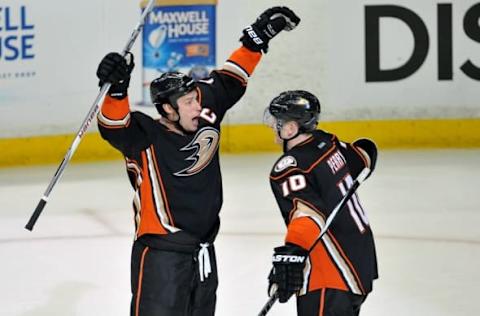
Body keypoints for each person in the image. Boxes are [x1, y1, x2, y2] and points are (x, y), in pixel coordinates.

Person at [95, 6, 300, 316]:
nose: (196, 106)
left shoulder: (204, 112)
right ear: (167, 110)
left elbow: (231, 77)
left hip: (203, 253)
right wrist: (117, 89)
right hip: (161, 258)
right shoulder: (144, 136)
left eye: (195, 98)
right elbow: (113, 125)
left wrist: (257, 38)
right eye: (187, 102)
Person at [264, 90, 378, 316]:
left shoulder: (290, 166)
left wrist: (291, 254)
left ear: (290, 129)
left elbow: (308, 216)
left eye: (277, 121)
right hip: (360, 260)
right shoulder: (328, 142)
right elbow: (363, 157)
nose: (272, 126)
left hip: (330, 272)